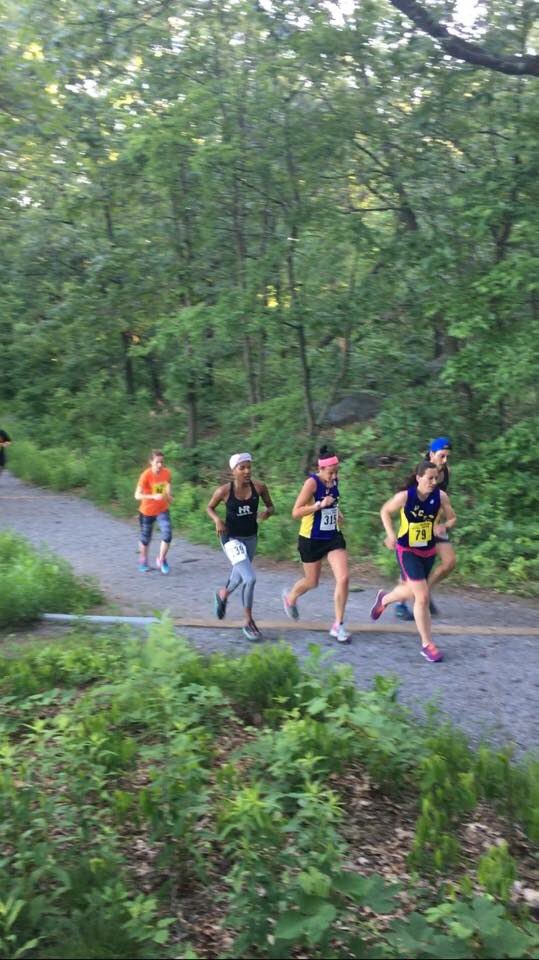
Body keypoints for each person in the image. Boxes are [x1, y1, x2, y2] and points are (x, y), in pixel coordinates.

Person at [370, 459, 457, 662]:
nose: (434, 482)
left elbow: (452, 517)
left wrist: (444, 526)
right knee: (422, 596)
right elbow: (384, 511)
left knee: (411, 591)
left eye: (436, 478)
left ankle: (384, 599)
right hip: (407, 550)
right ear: (419, 478)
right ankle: (427, 645)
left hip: (428, 551)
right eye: (429, 478)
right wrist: (391, 534)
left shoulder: (440, 496)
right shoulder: (405, 497)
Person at [282, 444, 351, 643]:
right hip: (311, 539)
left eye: (336, 472)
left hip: (332, 537)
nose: (334, 476)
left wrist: (337, 512)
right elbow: (296, 512)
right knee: (312, 582)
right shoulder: (312, 483)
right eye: (331, 472)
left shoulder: (334, 480)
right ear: (320, 469)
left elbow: (333, 501)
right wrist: (318, 505)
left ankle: (338, 624)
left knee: (344, 577)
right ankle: (290, 598)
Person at [207, 452, 274, 641]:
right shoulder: (224, 491)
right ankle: (248, 621)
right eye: (242, 468)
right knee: (250, 578)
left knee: (239, 574)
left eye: (249, 467)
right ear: (233, 471)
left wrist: (267, 512)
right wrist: (217, 520)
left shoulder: (259, 487)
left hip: (251, 537)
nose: (247, 471)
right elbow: (209, 507)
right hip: (231, 538)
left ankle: (223, 594)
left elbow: (271, 506)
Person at [395, 436, 455, 621]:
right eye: (442, 456)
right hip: (416, 527)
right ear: (431, 454)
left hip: (435, 526)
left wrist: (442, 523)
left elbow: (441, 500)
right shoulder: (422, 473)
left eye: (447, 457)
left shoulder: (446, 472)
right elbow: (405, 501)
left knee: (449, 562)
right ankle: (400, 603)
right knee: (411, 571)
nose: (444, 461)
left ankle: (423, 593)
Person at [134, 450, 173, 574]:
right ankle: (143, 561)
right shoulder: (145, 475)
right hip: (147, 511)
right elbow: (137, 495)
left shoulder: (167, 473)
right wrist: (152, 496)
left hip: (162, 509)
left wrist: (169, 496)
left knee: (167, 535)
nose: (160, 465)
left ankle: (161, 559)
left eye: (162, 462)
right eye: (157, 462)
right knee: (146, 539)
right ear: (151, 462)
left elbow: (166, 487)